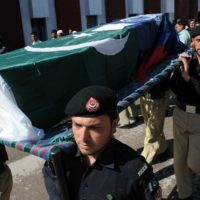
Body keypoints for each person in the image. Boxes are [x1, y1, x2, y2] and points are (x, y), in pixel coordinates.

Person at [43, 85, 161, 200]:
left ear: (114, 125)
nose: (83, 138)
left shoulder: (134, 171)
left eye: (94, 127)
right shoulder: (58, 161)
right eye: (78, 125)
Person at [169, 26, 200, 200]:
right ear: (193, 42)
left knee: (195, 162)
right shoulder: (187, 61)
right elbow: (174, 88)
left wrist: (188, 79)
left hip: (199, 118)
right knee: (179, 160)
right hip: (180, 114)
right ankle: (185, 194)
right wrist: (181, 72)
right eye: (198, 40)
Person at [140, 77, 170, 164]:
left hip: (155, 96)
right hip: (144, 94)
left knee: (152, 133)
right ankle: (163, 150)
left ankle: (144, 164)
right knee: (151, 127)